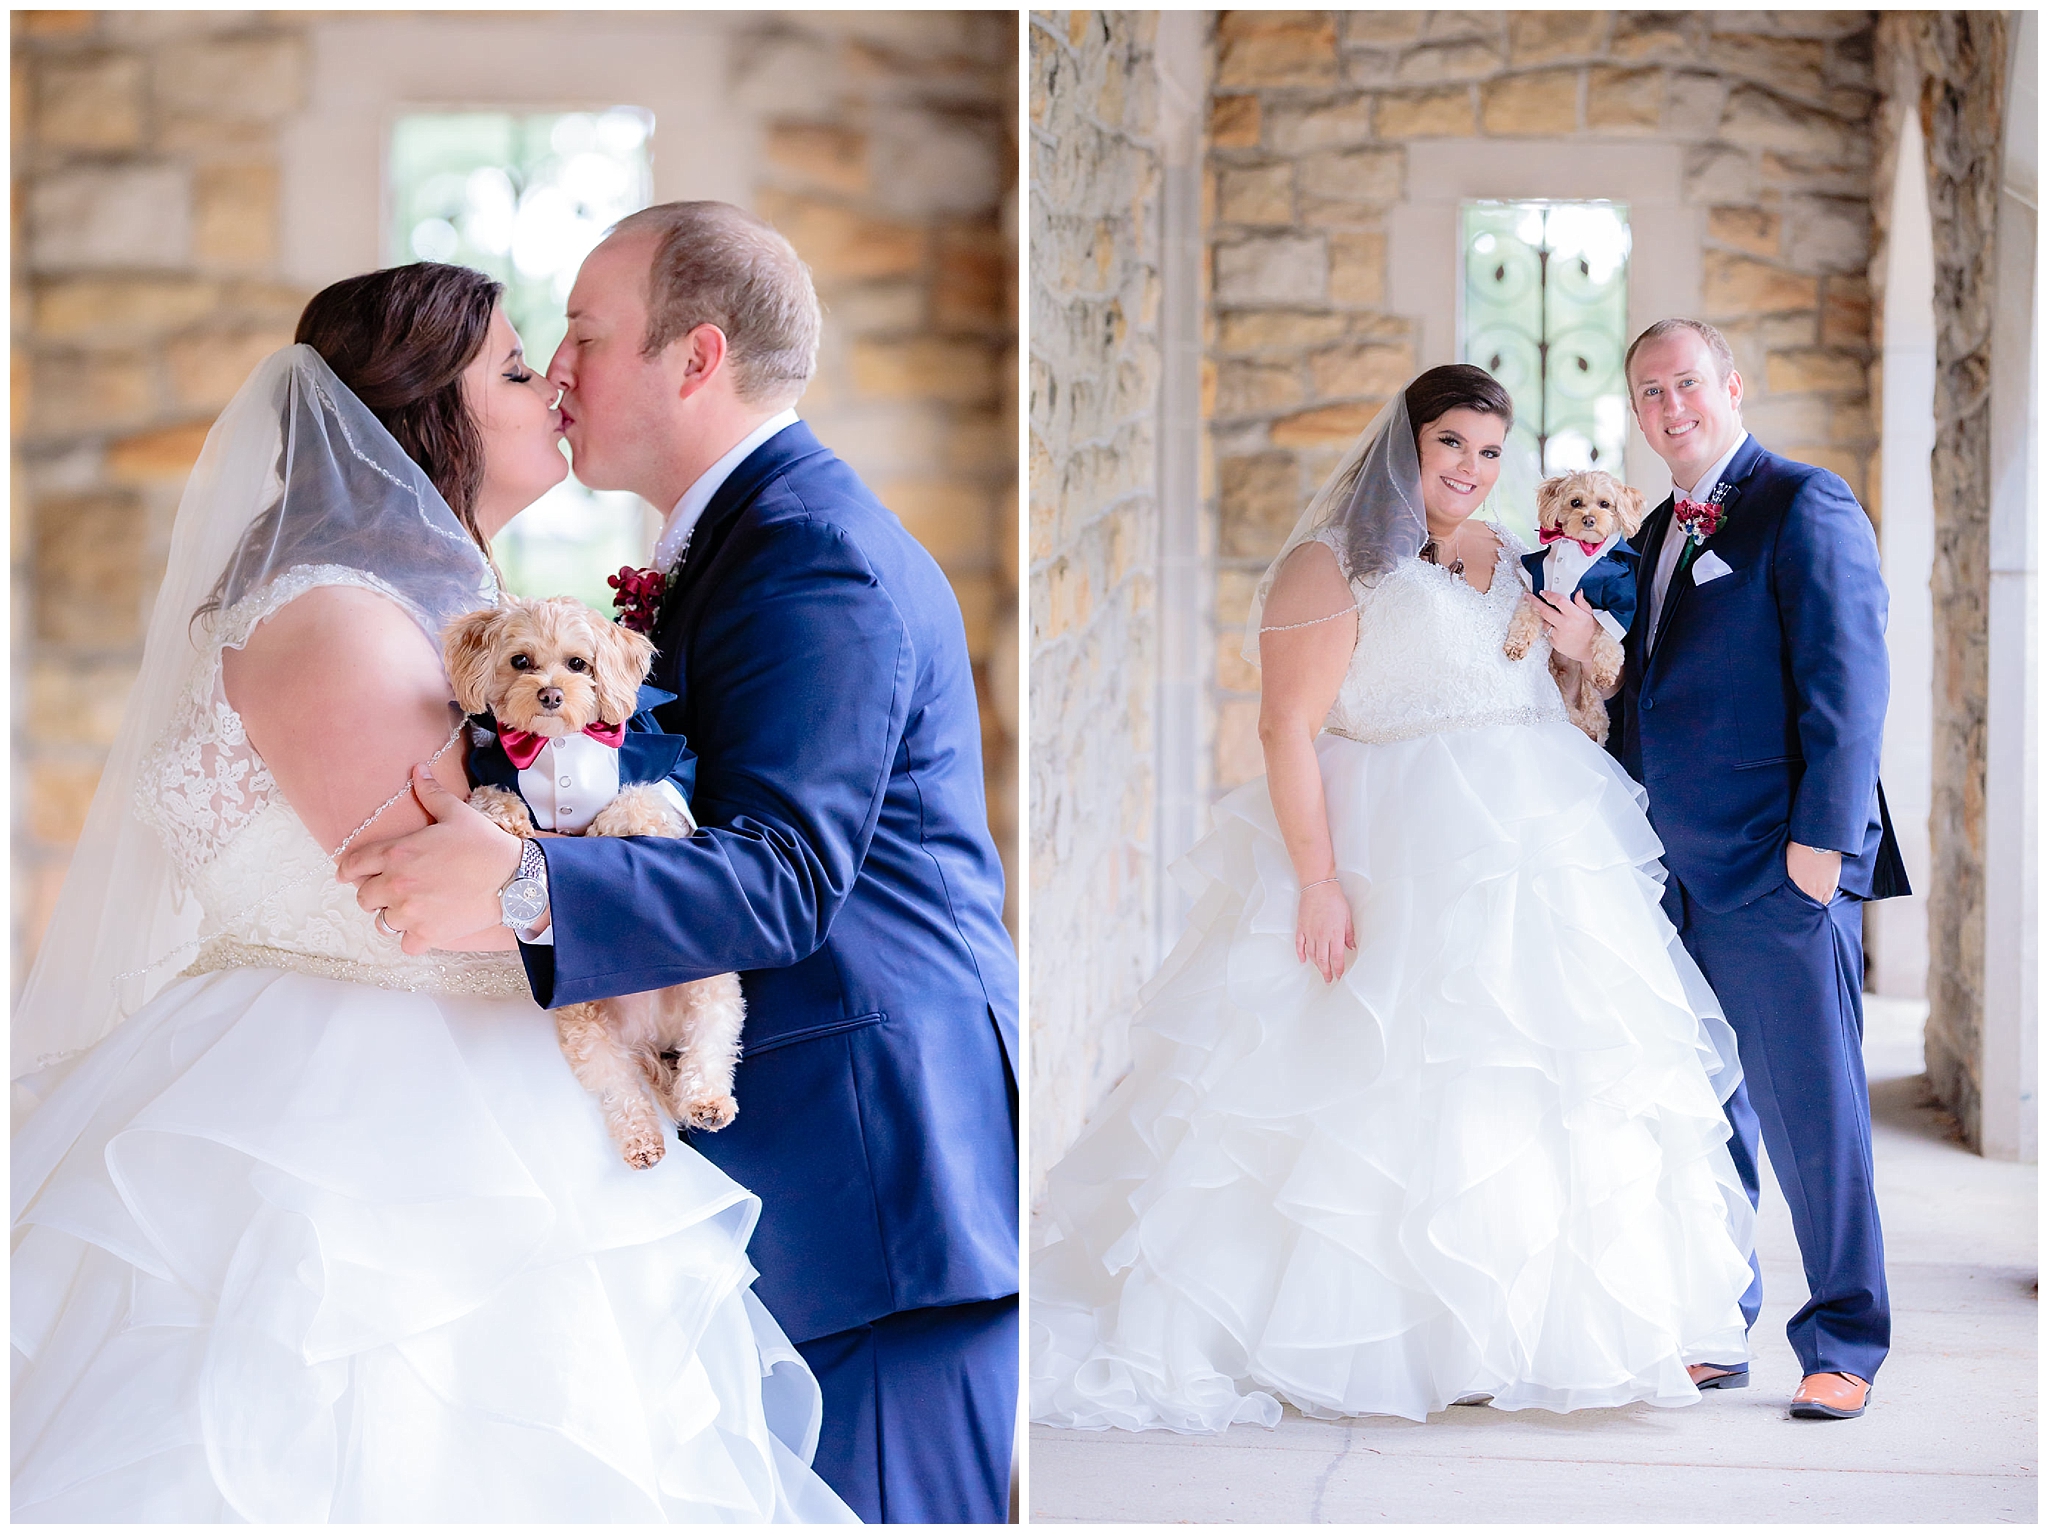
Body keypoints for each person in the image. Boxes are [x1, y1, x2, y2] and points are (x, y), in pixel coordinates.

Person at [11, 263, 855, 1522]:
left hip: (478, 1072)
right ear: (419, 416)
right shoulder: (338, 617)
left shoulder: (435, 609)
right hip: (359, 1115)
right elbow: (439, 899)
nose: (554, 382)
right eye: (517, 369)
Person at [340, 203, 1020, 1523]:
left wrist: (517, 889)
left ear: (695, 358)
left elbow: (783, 875)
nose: (564, 373)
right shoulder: (735, 540)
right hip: (812, 1170)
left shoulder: (809, 555)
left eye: (586, 336)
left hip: (872, 1179)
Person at [1030, 365, 1756, 1433]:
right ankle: (1370, 1334)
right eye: (1450, 444)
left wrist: (1576, 654)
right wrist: (1317, 883)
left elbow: (1545, 684)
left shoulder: (1512, 556)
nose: (1470, 469)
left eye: (1491, 451)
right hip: (1393, 851)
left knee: (1519, 1091)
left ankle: (1507, 1333)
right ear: (1405, 445)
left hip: (1533, 862)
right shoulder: (1332, 565)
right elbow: (1286, 729)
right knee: (1380, 1087)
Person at [1614, 318, 1905, 1422]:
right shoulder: (1652, 530)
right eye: (1649, 393)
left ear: (1729, 383)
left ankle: (1843, 1338)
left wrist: (1819, 848)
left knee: (1811, 1114)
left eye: (1685, 382)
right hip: (1667, 876)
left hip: (1776, 870)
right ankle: (1715, 1322)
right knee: (1704, 1116)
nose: (1669, 406)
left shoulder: (1802, 502)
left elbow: (1847, 684)